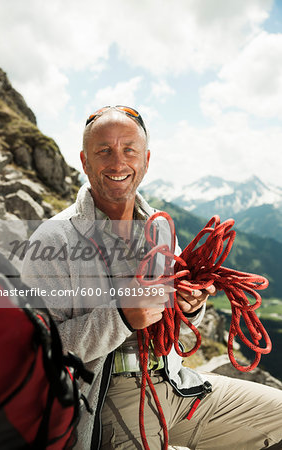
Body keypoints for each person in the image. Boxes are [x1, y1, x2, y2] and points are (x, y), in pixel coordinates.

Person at [22, 106, 282, 450]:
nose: (118, 163)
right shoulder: (52, 240)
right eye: (105, 151)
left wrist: (189, 308)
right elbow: (35, 350)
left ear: (146, 159)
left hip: (176, 384)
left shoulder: (159, 226)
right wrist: (119, 316)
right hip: (108, 401)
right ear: (85, 162)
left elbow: (179, 333)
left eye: (129, 150)